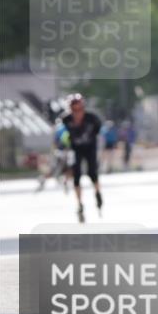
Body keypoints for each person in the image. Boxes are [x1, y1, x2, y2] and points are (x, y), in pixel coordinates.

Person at [60, 94, 104, 222]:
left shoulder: (92, 118)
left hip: (90, 148)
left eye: (79, 109)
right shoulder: (66, 119)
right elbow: (62, 133)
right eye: (74, 110)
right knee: (76, 175)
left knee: (92, 172)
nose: (77, 113)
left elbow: (98, 131)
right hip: (76, 148)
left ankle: (98, 193)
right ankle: (79, 204)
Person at [36, 121, 72, 193]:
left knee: (61, 169)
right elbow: (66, 142)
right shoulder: (64, 129)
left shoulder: (60, 129)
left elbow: (55, 143)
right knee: (62, 169)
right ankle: (45, 179)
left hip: (60, 152)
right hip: (62, 152)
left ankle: (63, 181)